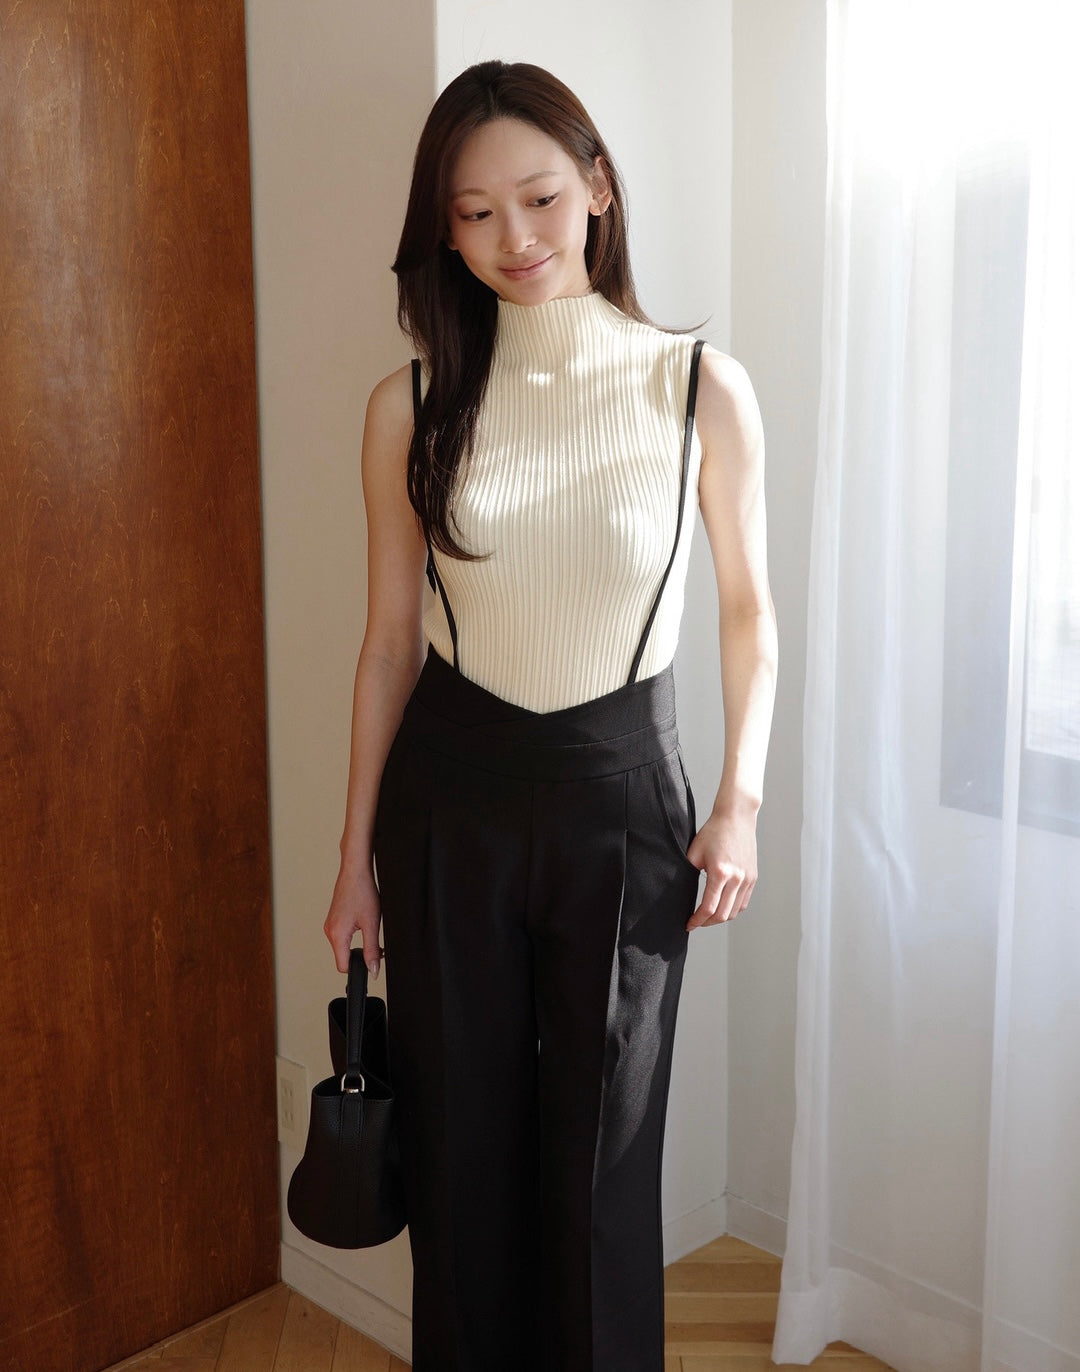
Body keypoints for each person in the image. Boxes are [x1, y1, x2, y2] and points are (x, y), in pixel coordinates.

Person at [324, 59, 777, 1372]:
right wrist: (352, 861)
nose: (512, 237)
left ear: (596, 189)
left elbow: (749, 612)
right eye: (473, 214)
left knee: (602, 1173)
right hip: (449, 804)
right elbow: (387, 646)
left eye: (537, 198)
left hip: (625, 805)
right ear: (443, 230)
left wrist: (739, 802)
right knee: (459, 1164)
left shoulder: (698, 386)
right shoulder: (408, 406)